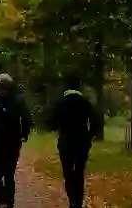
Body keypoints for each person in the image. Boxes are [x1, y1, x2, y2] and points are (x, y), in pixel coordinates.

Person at [0, 73, 32, 208]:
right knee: (9, 171)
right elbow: (27, 119)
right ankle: (9, 198)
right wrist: (24, 134)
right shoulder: (18, 100)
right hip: (13, 141)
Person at [47, 74, 99, 208]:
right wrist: (89, 136)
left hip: (66, 142)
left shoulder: (61, 103)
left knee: (68, 173)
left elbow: (52, 123)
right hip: (82, 142)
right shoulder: (85, 102)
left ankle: (72, 202)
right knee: (79, 172)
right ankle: (79, 203)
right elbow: (96, 122)